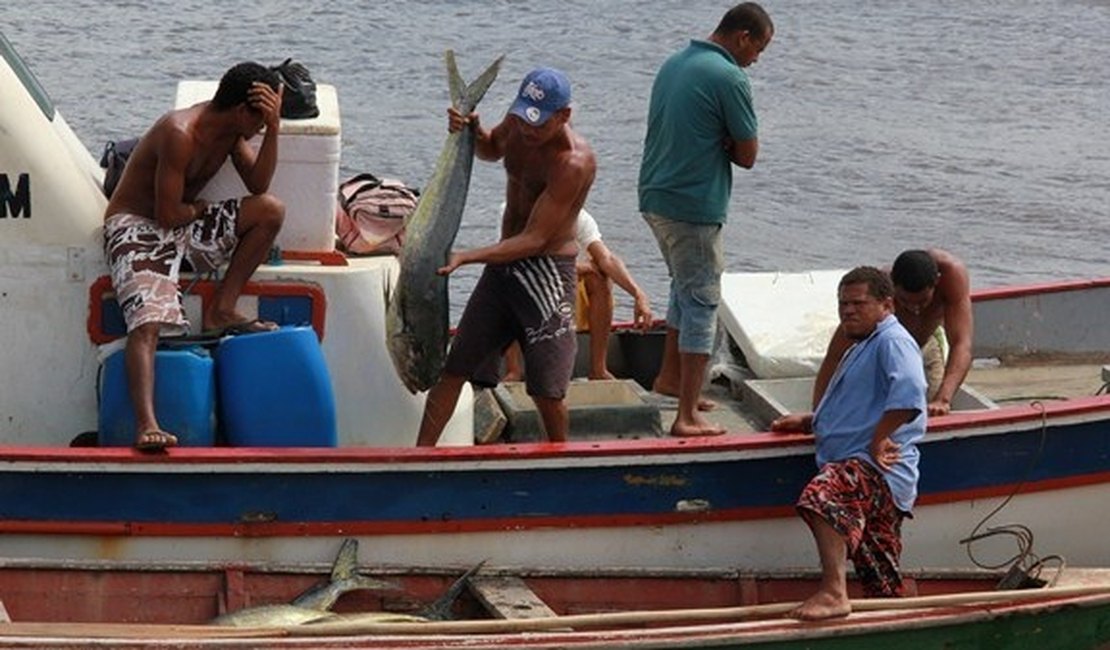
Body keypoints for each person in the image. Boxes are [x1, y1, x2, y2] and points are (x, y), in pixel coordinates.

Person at [103, 62, 286, 451]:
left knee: (269, 210)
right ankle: (146, 425)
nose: (260, 128)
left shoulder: (232, 132)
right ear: (241, 110)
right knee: (148, 319)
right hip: (138, 224)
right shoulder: (180, 132)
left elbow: (259, 183)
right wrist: (200, 212)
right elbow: (167, 215)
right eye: (261, 118)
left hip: (183, 220)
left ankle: (224, 307)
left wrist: (274, 128)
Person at [415, 67, 596, 447]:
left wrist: (468, 256)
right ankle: (421, 455)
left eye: (540, 123)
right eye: (524, 117)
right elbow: (491, 149)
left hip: (545, 272)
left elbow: (537, 238)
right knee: (454, 368)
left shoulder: (574, 163)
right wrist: (471, 131)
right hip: (502, 267)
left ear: (564, 115)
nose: (529, 130)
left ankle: (559, 461)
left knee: (547, 389)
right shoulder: (517, 124)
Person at [638, 2, 774, 437]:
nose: (757, 59)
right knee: (702, 304)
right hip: (692, 204)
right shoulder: (730, 76)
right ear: (742, 38)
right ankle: (686, 416)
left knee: (683, 288)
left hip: (656, 196)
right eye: (759, 49)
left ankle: (672, 381)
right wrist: (727, 143)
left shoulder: (675, 62)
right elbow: (748, 155)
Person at [771, 266, 926, 621]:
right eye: (842, 304)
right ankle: (893, 628)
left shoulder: (892, 340)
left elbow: (910, 395)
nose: (848, 311)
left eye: (858, 303)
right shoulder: (863, 343)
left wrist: (880, 437)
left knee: (821, 497)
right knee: (881, 580)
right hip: (877, 474)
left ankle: (834, 592)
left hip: (874, 468)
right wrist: (812, 421)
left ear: (886, 304)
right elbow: (864, 403)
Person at [814, 249, 972, 416]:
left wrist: (943, 399)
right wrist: (817, 413)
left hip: (929, 344)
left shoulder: (952, 275)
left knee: (935, 411)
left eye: (923, 301)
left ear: (937, 282)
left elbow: (962, 343)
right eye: (905, 302)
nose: (915, 309)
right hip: (890, 351)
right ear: (892, 288)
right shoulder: (879, 285)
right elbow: (836, 355)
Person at [503, 208, 653, 382]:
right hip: (527, 290)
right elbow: (515, 259)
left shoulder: (578, 216)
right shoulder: (515, 209)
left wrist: (638, 294)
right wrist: (578, 267)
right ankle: (513, 370)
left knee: (599, 277)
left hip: (561, 293)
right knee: (508, 277)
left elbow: (607, 258)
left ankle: (598, 369)